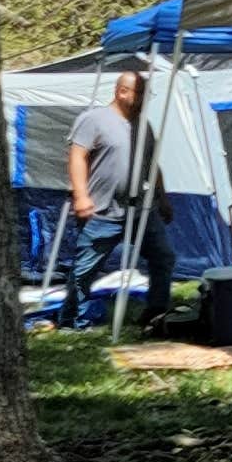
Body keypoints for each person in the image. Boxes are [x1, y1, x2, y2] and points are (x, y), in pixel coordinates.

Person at [61, 59, 174, 325]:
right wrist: (81, 195)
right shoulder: (94, 119)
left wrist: (163, 198)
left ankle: (156, 312)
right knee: (85, 268)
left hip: (140, 209)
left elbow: (152, 164)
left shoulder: (143, 126)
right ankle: (72, 320)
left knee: (163, 257)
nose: (146, 99)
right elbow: (78, 156)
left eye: (148, 94)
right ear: (122, 92)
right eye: (141, 93)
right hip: (102, 210)